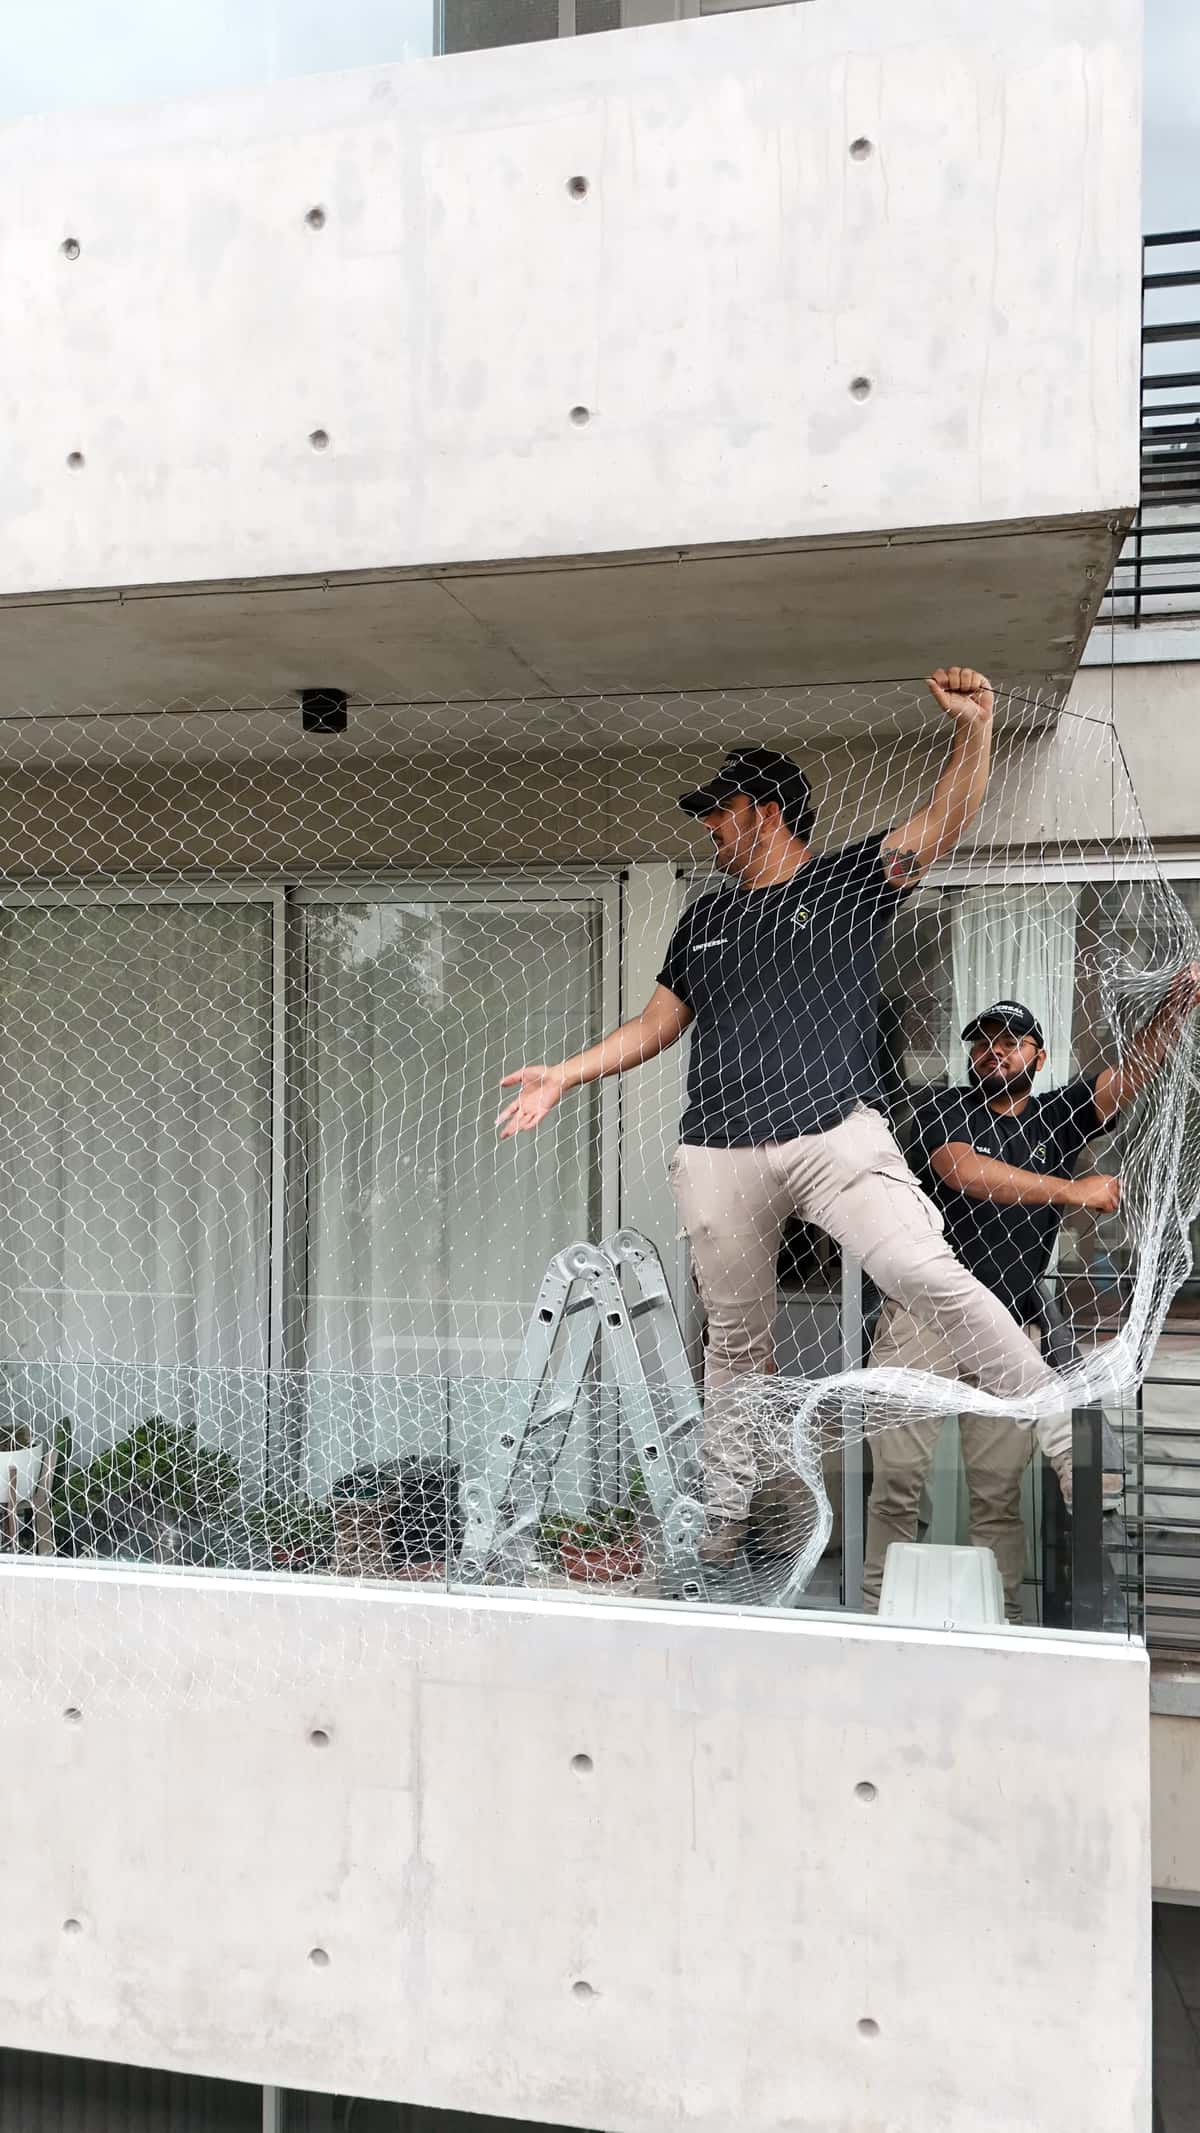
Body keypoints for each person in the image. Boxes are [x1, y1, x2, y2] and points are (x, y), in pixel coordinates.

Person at [499, 666, 1074, 1568]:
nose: (707, 827)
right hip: (719, 1153)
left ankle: (1062, 1431)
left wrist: (976, 729)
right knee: (734, 1345)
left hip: (833, 1137)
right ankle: (726, 1522)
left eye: (717, 810)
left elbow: (944, 820)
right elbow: (657, 1024)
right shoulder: (704, 918)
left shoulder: (849, 880)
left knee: (926, 1273)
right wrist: (562, 1077)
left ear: (764, 811)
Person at [864, 975, 1200, 1620]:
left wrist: (1171, 1013)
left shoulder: (1055, 1116)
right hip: (922, 1321)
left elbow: (1125, 1076)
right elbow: (962, 1169)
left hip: (1012, 1329)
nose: (995, 1052)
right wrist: (1073, 1192)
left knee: (996, 1494)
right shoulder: (944, 1108)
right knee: (896, 1486)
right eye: (984, 1042)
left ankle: (1005, 1622)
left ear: (1038, 1057)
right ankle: (884, 1615)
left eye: (1012, 1042)